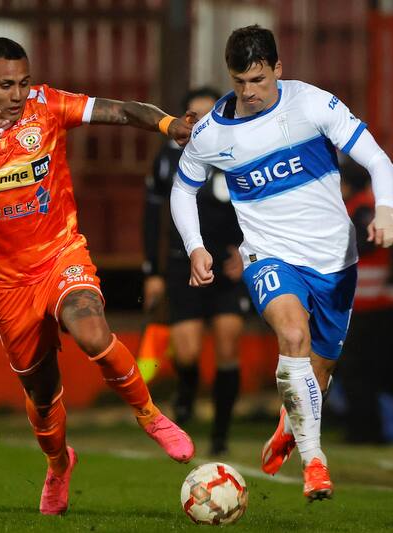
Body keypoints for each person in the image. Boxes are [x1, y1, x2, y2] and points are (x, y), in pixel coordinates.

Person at [0, 37, 195, 516]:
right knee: (43, 397)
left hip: (59, 254)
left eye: (23, 82)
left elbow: (123, 110)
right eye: (6, 85)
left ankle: (148, 414)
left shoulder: (47, 106)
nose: (18, 94)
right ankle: (58, 465)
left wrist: (169, 124)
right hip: (6, 284)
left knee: (92, 332)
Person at [170, 25, 393, 502]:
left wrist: (385, 210)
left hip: (335, 258)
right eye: (240, 83)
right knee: (292, 336)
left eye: (258, 80)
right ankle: (315, 463)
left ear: (278, 69)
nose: (249, 93)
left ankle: (291, 424)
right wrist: (195, 245)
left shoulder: (313, 104)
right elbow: (181, 189)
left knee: (318, 372)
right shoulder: (212, 132)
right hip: (268, 254)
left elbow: (380, 162)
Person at [142, 87, 248, 456]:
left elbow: (256, 206)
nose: (202, 121)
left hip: (227, 265)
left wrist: (248, 252)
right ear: (186, 118)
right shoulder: (168, 159)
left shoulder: (238, 152)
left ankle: (220, 434)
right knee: (186, 351)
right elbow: (152, 216)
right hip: (180, 262)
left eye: (210, 113)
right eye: (195, 114)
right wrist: (152, 271)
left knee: (228, 342)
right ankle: (185, 394)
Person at [335, 162, 393, 443]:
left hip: (366, 303)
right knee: (389, 370)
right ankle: (387, 426)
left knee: (356, 370)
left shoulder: (357, 207)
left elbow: (353, 245)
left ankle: (363, 429)